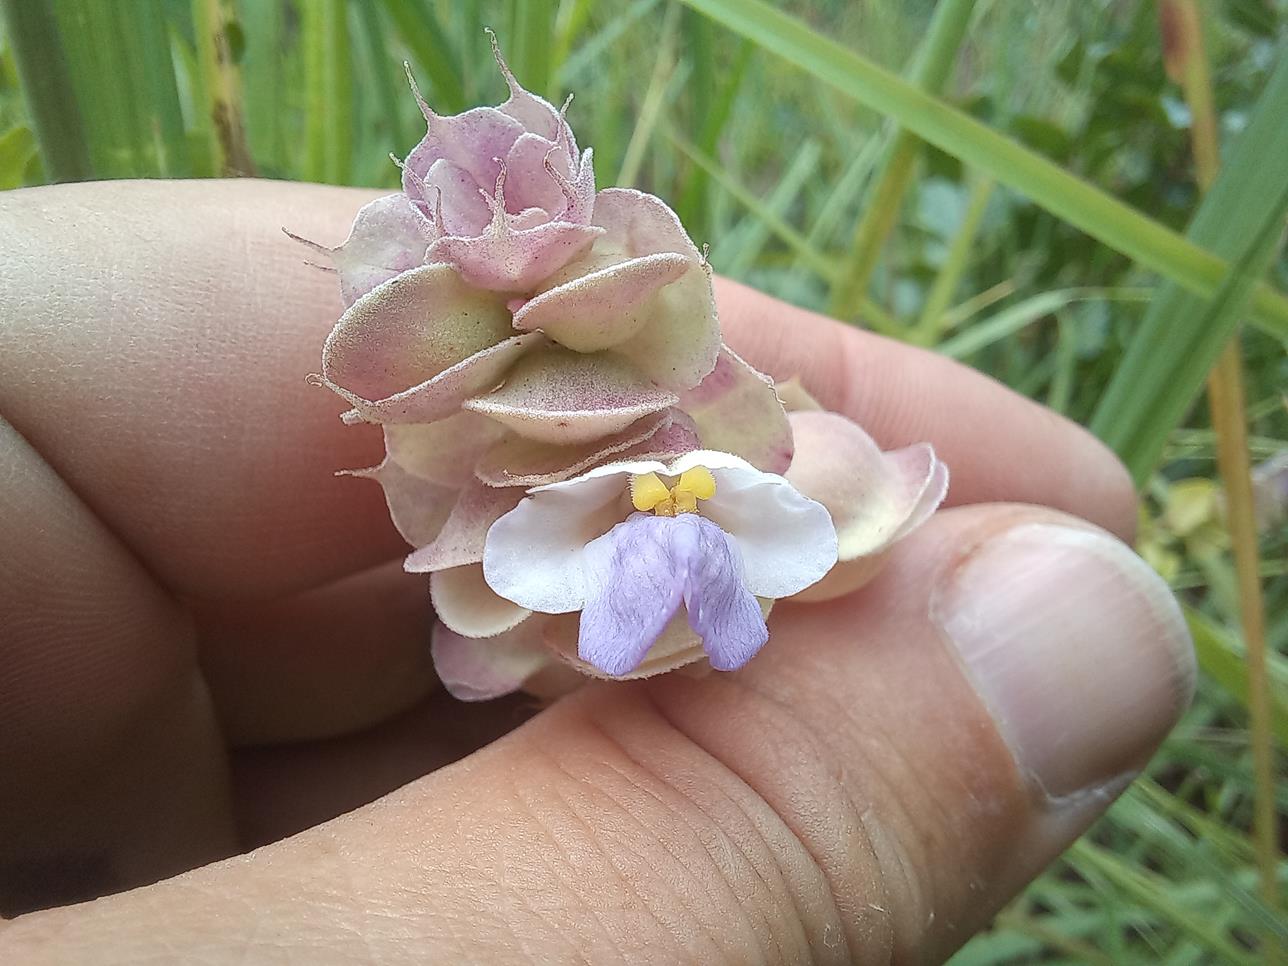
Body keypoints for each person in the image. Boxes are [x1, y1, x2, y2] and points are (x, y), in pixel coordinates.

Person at [0, 180, 1195, 963]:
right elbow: (510, 587)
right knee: (539, 619)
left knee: (705, 530)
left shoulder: (712, 446)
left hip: (711, 485)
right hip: (595, 521)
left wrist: (687, 483)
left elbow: (764, 502)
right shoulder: (533, 497)